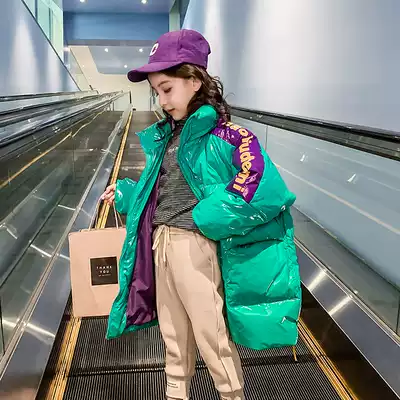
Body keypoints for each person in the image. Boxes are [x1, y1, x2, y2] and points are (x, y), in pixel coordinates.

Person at [101, 29, 301, 400]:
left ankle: (231, 394)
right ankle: (176, 393)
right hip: (161, 244)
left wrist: (206, 217)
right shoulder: (165, 138)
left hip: (195, 246)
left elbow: (265, 187)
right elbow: (159, 192)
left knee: (211, 335)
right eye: (156, 92)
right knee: (173, 335)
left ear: (195, 81)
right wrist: (127, 195)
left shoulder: (230, 136)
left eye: (167, 89)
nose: (162, 100)